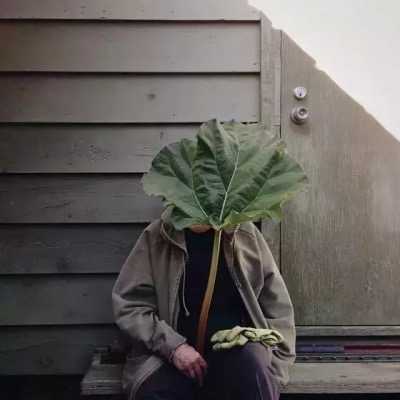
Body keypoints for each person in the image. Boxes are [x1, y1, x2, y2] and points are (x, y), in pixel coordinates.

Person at [111, 207, 296, 400]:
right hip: (168, 357)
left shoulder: (244, 235)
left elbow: (277, 307)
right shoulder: (158, 236)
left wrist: (273, 368)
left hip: (233, 353)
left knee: (253, 370)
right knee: (154, 390)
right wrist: (173, 347)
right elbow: (130, 307)